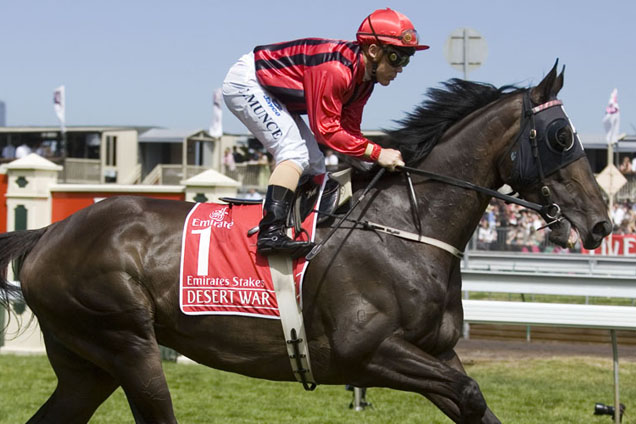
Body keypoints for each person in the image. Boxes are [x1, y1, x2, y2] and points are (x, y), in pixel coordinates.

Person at [223, 8, 429, 257]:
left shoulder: (363, 83)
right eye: (397, 58)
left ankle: (294, 226)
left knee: (315, 163)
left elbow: (349, 131)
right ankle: (270, 232)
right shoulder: (336, 71)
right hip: (248, 82)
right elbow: (326, 132)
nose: (401, 68)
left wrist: (371, 161)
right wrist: (377, 153)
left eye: (407, 60)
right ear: (373, 51)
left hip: (271, 91)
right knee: (294, 153)